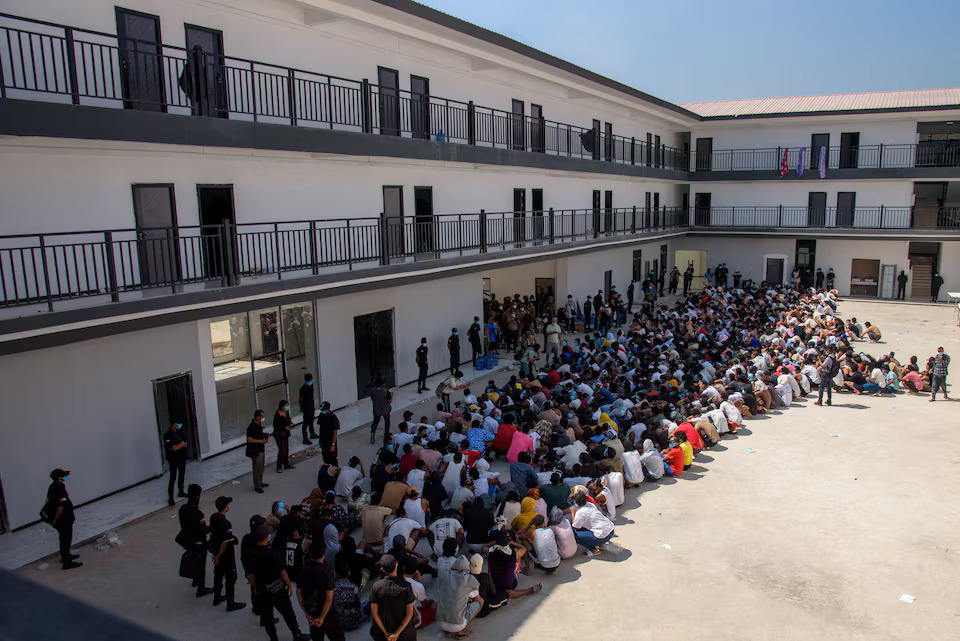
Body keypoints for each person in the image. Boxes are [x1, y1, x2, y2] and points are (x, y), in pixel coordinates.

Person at [247, 524, 309, 641]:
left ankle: (273, 638)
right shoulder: (273, 553)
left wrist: (254, 584)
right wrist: (289, 585)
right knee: (288, 613)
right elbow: (283, 572)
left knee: (267, 618)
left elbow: (250, 575)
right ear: (267, 537)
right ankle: (297, 635)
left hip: (262, 590)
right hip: (277, 588)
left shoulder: (251, 554)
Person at [296, 540, 344, 641]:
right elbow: (329, 600)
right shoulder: (328, 573)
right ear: (324, 554)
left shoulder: (303, 570)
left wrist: (306, 613)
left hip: (312, 613)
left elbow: (299, 593)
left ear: (310, 554)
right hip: (328, 614)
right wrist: (321, 618)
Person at [210, 496, 246, 612]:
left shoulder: (213, 517)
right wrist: (218, 556)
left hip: (216, 550)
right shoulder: (226, 524)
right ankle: (230, 602)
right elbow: (225, 542)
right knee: (231, 577)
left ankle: (217, 596)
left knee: (218, 574)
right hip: (225, 555)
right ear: (226, 507)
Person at [369, 554, 417, 641]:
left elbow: (374, 613)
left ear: (382, 569)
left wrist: (386, 633)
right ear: (396, 564)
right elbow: (409, 614)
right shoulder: (406, 587)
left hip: (382, 634)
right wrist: (396, 634)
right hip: (404, 635)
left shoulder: (376, 586)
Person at [177, 483, 212, 595]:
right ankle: (201, 587)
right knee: (201, 563)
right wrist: (210, 528)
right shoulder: (198, 514)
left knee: (194, 559)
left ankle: (195, 579)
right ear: (197, 497)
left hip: (187, 540)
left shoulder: (182, 510)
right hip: (199, 541)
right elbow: (202, 529)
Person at [436, 556, 483, 639]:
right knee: (481, 601)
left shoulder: (445, 577)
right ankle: (462, 630)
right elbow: (477, 598)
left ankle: (447, 629)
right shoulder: (469, 579)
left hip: (440, 622)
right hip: (457, 624)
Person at [45, 469, 82, 570]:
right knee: (66, 539)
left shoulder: (52, 486)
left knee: (63, 538)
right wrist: (55, 520)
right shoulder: (59, 488)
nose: (65, 477)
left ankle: (65, 556)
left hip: (62, 519)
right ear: (59, 478)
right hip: (63, 520)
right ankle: (66, 562)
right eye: (64, 476)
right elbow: (60, 508)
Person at [163, 422, 189, 506]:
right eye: (176, 425)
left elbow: (186, 444)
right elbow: (174, 448)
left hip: (182, 458)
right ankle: (171, 497)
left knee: (182, 475)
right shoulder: (167, 435)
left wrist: (179, 445)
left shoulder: (180, 433)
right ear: (173, 425)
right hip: (173, 459)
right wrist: (181, 444)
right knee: (173, 477)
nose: (178, 426)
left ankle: (181, 491)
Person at [245, 410, 270, 493]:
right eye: (261, 416)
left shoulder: (259, 425)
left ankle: (260, 482)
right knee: (257, 468)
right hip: (255, 451)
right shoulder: (251, 427)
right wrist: (261, 441)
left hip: (261, 449)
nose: (263, 418)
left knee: (261, 467)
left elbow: (258, 435)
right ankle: (257, 486)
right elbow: (249, 439)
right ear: (257, 417)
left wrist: (265, 435)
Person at [273, 400, 296, 474]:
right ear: (281, 406)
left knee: (286, 449)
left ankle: (286, 464)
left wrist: (290, 424)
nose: (287, 407)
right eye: (285, 406)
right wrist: (285, 427)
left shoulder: (286, 413)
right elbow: (276, 425)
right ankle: (279, 466)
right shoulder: (278, 414)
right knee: (282, 450)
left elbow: (288, 421)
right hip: (279, 434)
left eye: (287, 405)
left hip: (285, 433)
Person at [315, 401, 339, 466]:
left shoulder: (333, 417)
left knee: (332, 460)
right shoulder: (321, 415)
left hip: (330, 442)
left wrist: (333, 445)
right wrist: (320, 442)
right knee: (325, 460)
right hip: (323, 442)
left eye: (323, 410)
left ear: (328, 409)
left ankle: (335, 474)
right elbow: (321, 429)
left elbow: (335, 433)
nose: (322, 411)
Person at [370, 376, 393, 445]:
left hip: (376, 409)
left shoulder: (372, 391)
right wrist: (391, 396)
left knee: (375, 422)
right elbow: (389, 400)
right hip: (385, 409)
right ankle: (386, 434)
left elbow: (372, 398)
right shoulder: (386, 391)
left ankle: (373, 432)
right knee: (387, 421)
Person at [299, 373, 318, 445]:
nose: (310, 381)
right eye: (309, 380)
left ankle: (312, 433)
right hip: (306, 408)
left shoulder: (311, 385)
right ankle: (305, 438)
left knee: (311, 420)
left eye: (310, 379)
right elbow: (300, 399)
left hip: (311, 406)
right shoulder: (303, 388)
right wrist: (301, 407)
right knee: (305, 423)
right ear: (305, 380)